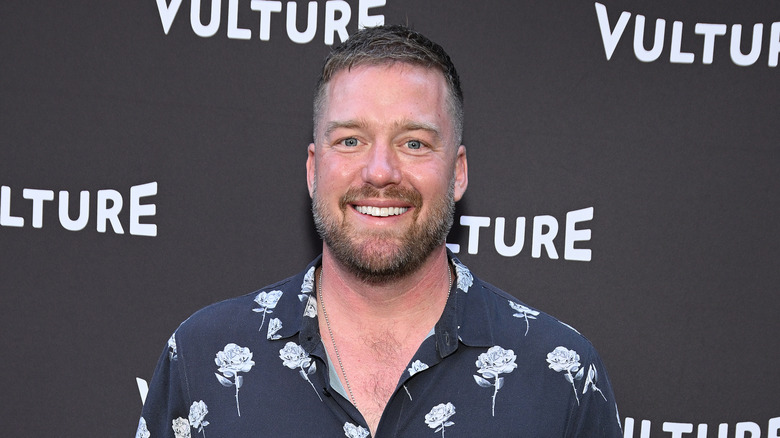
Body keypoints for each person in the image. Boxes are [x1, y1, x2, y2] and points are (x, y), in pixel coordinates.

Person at [136, 25, 622, 438]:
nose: (381, 171)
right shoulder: (201, 358)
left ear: (458, 172)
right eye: (351, 140)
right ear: (313, 169)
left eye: (414, 142)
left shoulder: (561, 378)